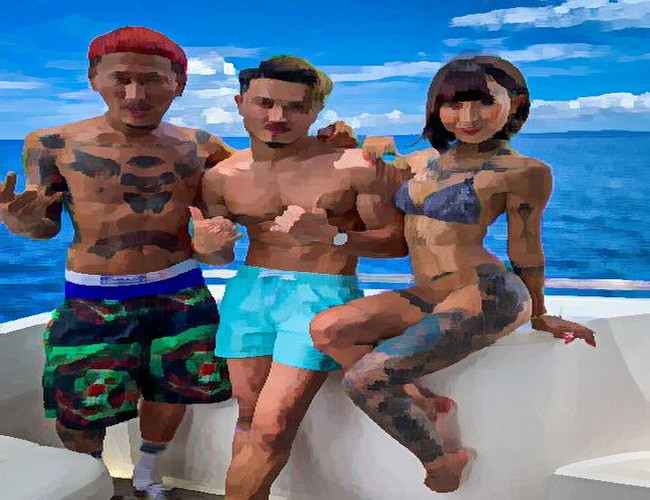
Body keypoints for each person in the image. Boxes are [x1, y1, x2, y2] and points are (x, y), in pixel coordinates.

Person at [309, 55, 597, 493]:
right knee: (329, 330)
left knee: (366, 379)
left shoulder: (525, 172)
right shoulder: (424, 159)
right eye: (453, 105)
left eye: (484, 102)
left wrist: (540, 314)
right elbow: (377, 164)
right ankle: (425, 403)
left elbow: (525, 246)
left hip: (485, 293)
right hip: (428, 290)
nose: (468, 118)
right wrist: (356, 141)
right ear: (436, 108)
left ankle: (442, 461)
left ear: (516, 103)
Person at [192, 55, 408, 500]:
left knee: (272, 428)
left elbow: (395, 243)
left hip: (320, 293)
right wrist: (207, 245)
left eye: (295, 107)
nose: (278, 117)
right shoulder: (220, 177)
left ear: (315, 111)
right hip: (249, 292)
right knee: (248, 418)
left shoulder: (353, 165)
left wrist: (334, 236)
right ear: (240, 103)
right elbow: (219, 254)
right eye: (265, 103)